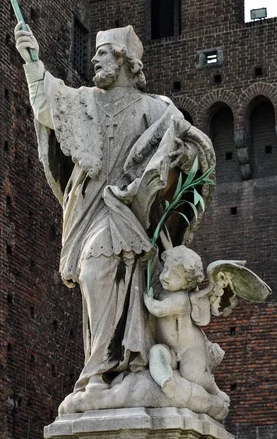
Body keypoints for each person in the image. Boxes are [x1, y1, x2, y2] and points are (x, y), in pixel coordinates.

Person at [15, 23, 215, 394]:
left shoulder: (154, 108)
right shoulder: (84, 100)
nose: (94, 59)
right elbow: (48, 105)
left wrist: (176, 156)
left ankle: (105, 369)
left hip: (131, 211)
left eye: (103, 53)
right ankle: (107, 364)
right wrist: (31, 59)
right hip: (90, 205)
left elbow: (191, 148)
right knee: (96, 276)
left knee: (104, 270)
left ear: (124, 59)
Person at [143, 246, 227, 402]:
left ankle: (215, 391)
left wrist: (148, 300)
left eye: (174, 274)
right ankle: (166, 381)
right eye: (165, 269)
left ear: (187, 282)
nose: (165, 276)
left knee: (193, 374)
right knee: (156, 353)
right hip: (171, 349)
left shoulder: (181, 299)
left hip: (190, 349)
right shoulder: (163, 291)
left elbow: (159, 310)